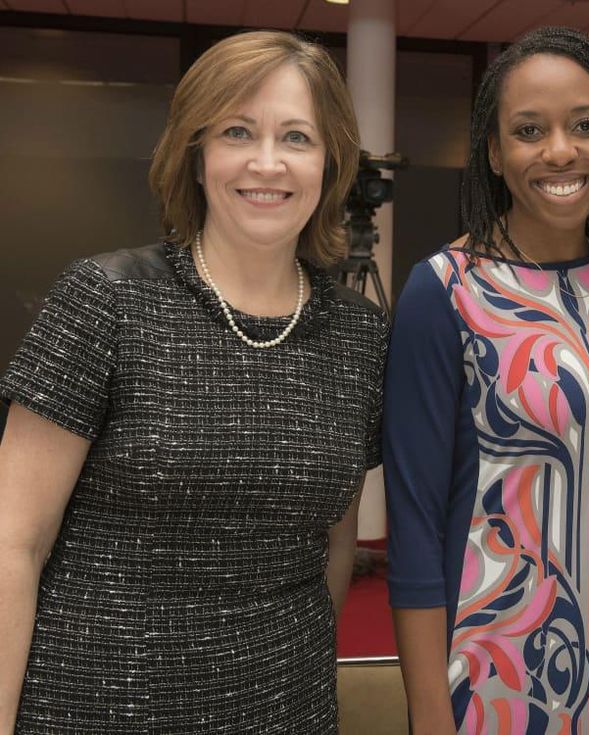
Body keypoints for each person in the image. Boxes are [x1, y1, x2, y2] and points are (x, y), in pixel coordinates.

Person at [0, 31, 386, 733]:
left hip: (285, 705)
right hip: (98, 703)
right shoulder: (106, 299)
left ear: (330, 162)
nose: (267, 162)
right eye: (238, 130)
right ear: (197, 153)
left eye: (296, 136)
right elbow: (12, 539)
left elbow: (335, 542)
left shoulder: (359, 336)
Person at [383, 26, 589, 735]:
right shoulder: (443, 290)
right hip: (503, 666)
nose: (560, 151)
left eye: (585, 126)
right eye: (528, 130)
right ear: (493, 152)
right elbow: (415, 522)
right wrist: (429, 711)